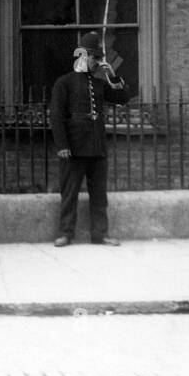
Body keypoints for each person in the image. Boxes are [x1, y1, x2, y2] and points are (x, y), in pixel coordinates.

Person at [49, 31, 129, 247]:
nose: (97, 62)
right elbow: (56, 116)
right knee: (69, 193)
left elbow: (123, 98)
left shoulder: (100, 84)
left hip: (96, 146)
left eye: (98, 58)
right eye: (95, 58)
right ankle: (66, 233)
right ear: (82, 57)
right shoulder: (64, 83)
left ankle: (100, 235)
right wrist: (63, 145)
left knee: (99, 195)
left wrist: (111, 74)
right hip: (73, 148)